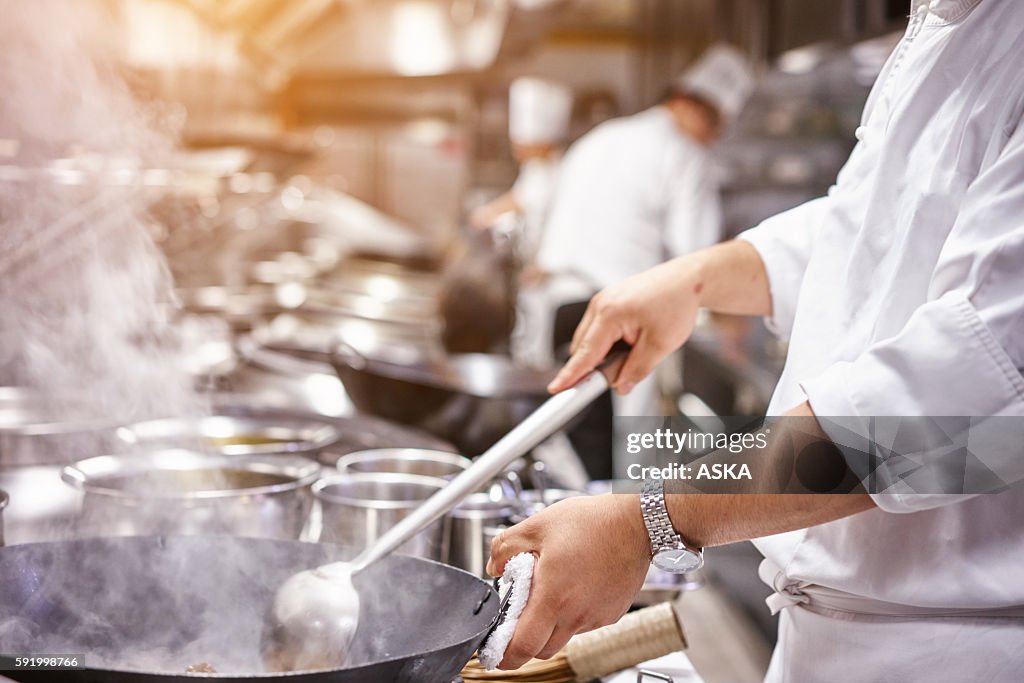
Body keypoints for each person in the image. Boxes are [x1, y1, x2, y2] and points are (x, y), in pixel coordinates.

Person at [487, 1, 1024, 681]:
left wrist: (648, 518)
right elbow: (870, 231)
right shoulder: (948, 28)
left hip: (945, 654)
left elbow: (949, 417)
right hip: (831, 632)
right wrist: (697, 279)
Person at [527, 44, 754, 417]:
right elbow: (696, 260)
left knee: (570, 437)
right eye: (715, 125)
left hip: (560, 307)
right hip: (622, 320)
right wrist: (727, 317)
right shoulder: (685, 155)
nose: (713, 138)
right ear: (691, 105)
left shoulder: (603, 136)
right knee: (625, 454)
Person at [470, 76, 573, 261]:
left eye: (523, 144)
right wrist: (487, 212)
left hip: (552, 269)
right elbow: (522, 197)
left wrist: (546, 266)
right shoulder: (535, 167)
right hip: (531, 263)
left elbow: (566, 228)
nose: (516, 150)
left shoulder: (567, 171)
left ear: (544, 143)